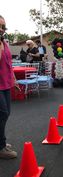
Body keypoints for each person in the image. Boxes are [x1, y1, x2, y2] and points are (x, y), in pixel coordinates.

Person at [0, 15, 18, 159]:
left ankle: (1, 142)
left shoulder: (4, 43)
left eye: (3, 27)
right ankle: (1, 147)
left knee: (6, 114)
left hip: (5, 83)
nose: (1, 29)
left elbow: (9, 64)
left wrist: (15, 80)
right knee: (2, 114)